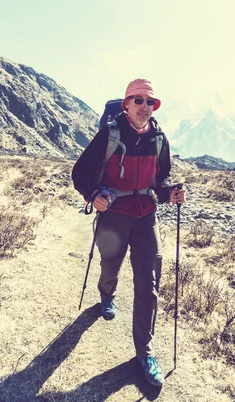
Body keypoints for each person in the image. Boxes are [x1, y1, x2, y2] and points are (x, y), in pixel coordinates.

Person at [72, 78, 186, 387]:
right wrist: (92, 194)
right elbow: (80, 173)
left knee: (148, 284)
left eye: (150, 102)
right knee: (111, 264)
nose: (145, 106)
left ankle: (144, 352)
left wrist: (170, 193)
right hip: (114, 213)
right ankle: (106, 294)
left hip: (146, 215)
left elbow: (161, 179)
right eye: (138, 100)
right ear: (126, 104)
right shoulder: (110, 134)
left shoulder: (159, 138)